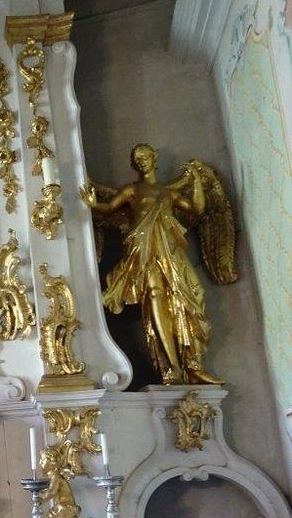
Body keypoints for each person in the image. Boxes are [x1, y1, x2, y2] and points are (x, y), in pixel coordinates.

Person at [81, 143, 229, 385]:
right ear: (133, 164)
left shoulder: (169, 192)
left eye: (145, 156)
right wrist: (93, 203)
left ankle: (192, 363)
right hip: (144, 249)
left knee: (194, 292)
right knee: (155, 295)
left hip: (170, 249)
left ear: (154, 157)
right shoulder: (132, 190)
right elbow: (109, 207)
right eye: (137, 158)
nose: (141, 161)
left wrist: (196, 181)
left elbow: (197, 209)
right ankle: (171, 367)